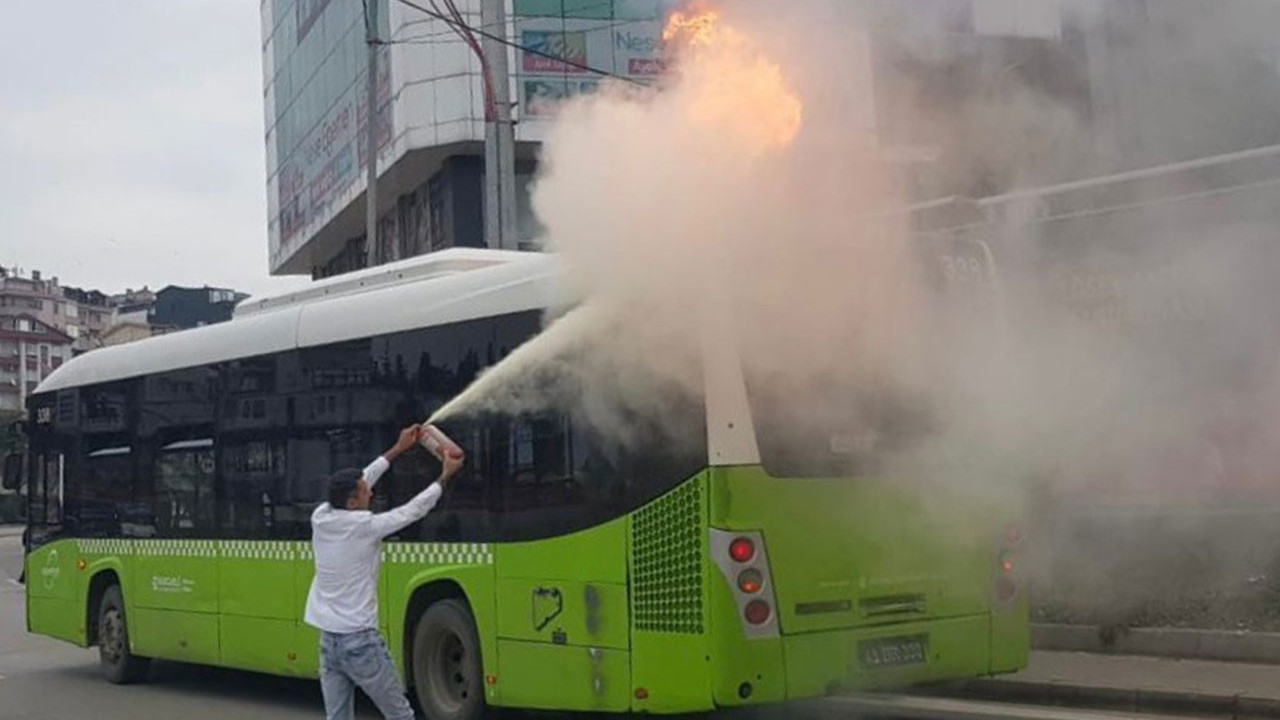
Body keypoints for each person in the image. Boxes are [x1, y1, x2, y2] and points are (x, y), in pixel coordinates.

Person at [306, 425, 465, 720]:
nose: (371, 492)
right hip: (360, 643)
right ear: (353, 502)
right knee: (400, 715)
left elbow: (363, 477)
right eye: (365, 492)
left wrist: (398, 449)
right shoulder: (364, 527)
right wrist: (445, 476)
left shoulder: (322, 516)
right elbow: (412, 511)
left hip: (329, 642)